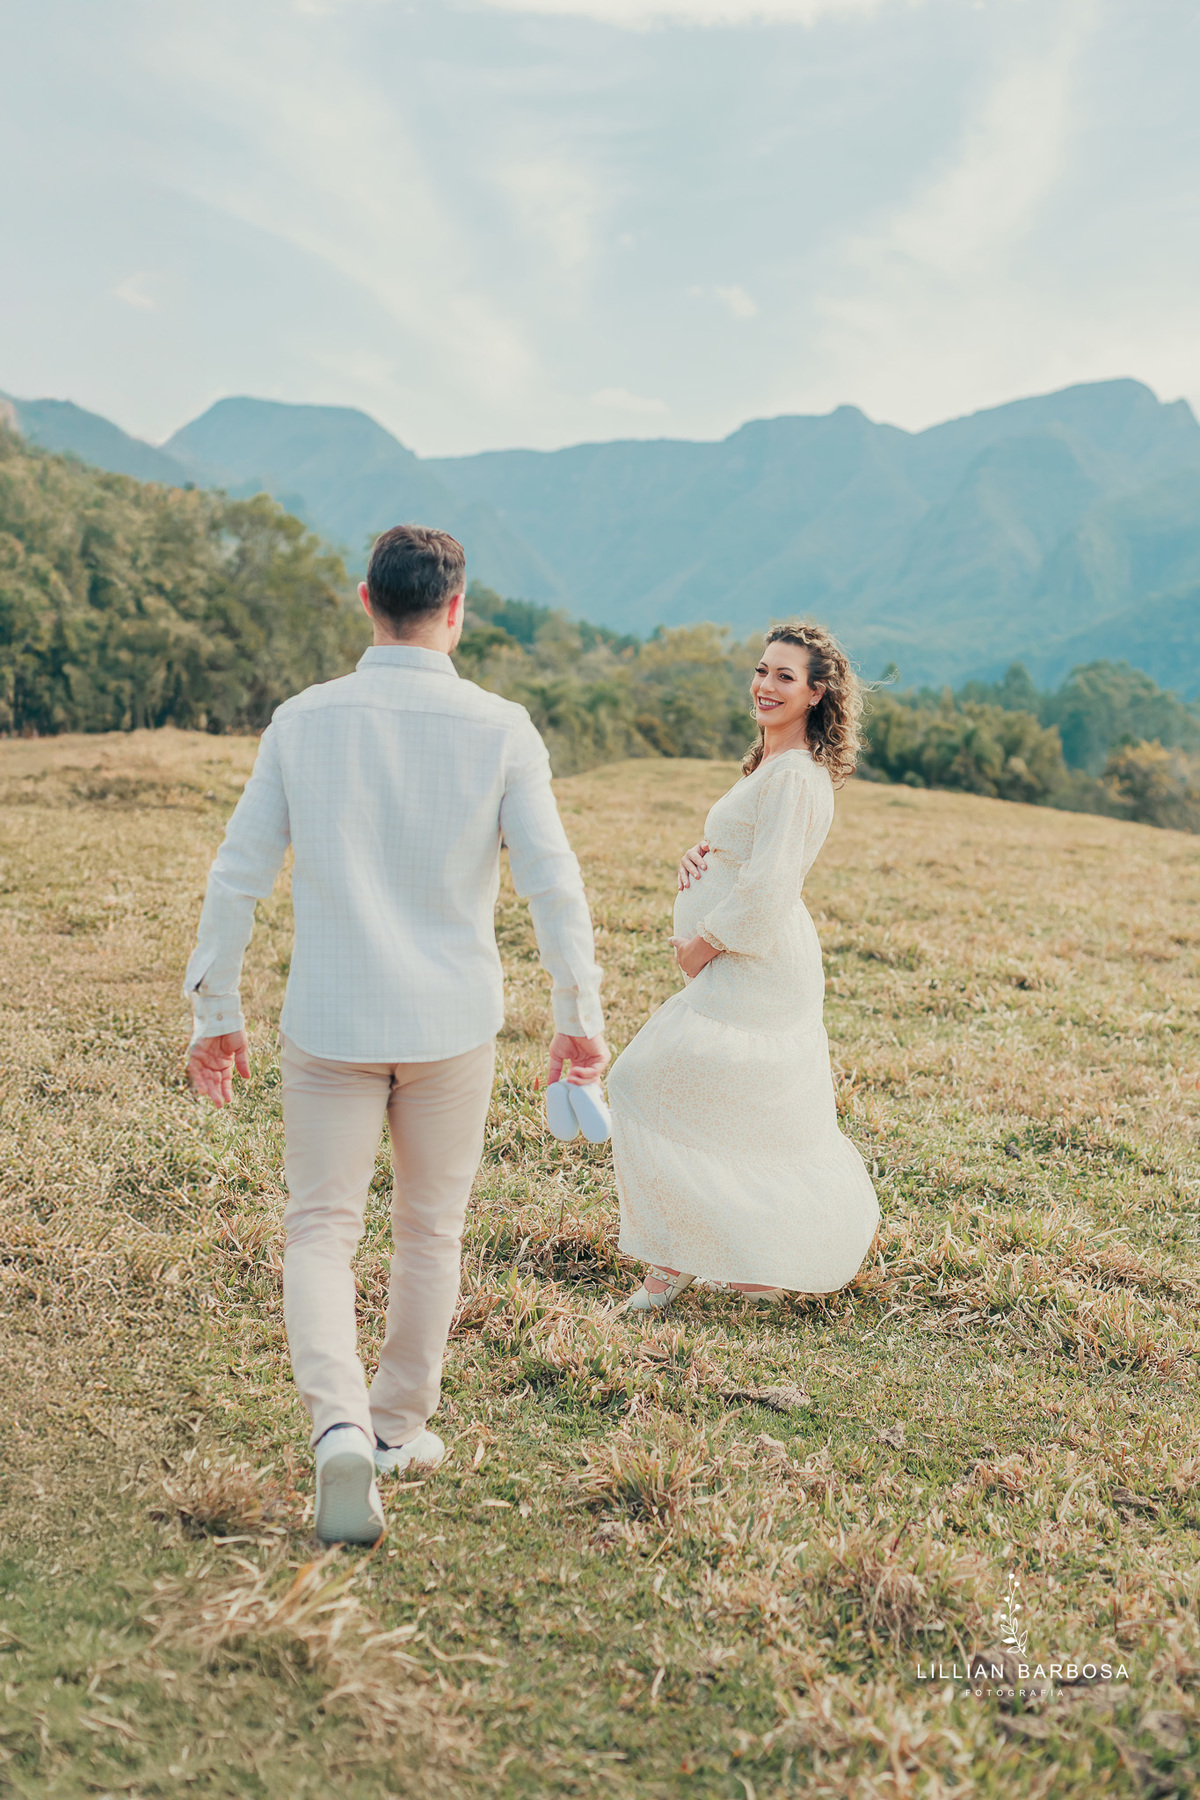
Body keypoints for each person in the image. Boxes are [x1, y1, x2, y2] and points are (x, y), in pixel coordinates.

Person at [184, 525, 607, 1546]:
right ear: (456, 610)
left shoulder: (303, 719)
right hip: (449, 1025)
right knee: (430, 1229)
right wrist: (578, 1018)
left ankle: (335, 1427)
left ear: (365, 600)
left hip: (329, 1017)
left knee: (320, 1229)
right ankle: (393, 1430)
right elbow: (554, 883)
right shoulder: (502, 726)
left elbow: (236, 874)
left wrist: (216, 1014)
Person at [607, 620, 878, 1311]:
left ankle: (671, 1261)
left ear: (817, 693)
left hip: (756, 965)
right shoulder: (771, 766)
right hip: (742, 961)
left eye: (785, 677)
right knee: (738, 1111)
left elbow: (769, 889)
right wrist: (700, 859)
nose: (765, 685)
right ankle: (743, 1260)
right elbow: (745, 855)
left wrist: (704, 940)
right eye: (762, 670)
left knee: (643, 1084)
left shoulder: (794, 776)